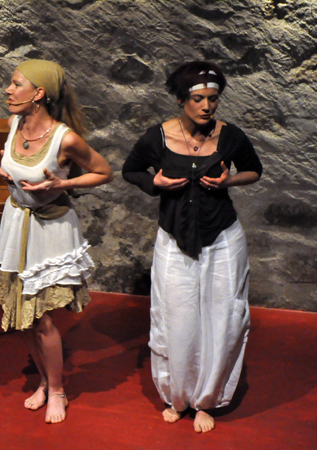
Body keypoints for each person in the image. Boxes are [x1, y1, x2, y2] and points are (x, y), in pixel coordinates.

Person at [122, 61, 262, 433]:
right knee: (176, 319)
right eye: (198, 99)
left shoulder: (230, 136)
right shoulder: (159, 136)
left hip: (222, 239)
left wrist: (230, 182)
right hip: (174, 239)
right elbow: (130, 170)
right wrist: (155, 183)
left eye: (213, 99)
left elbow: (254, 170)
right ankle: (178, 396)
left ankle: (207, 401)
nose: (206, 106)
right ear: (181, 99)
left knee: (223, 319)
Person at [0, 60, 114, 424]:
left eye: (16, 84)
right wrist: (6, 171)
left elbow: (103, 172)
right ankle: (44, 381)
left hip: (50, 232)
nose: (8, 90)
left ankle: (58, 390)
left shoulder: (65, 139)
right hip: (17, 225)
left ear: (39, 93)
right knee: (24, 318)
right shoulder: (13, 124)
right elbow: (14, 168)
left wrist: (63, 184)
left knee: (42, 318)